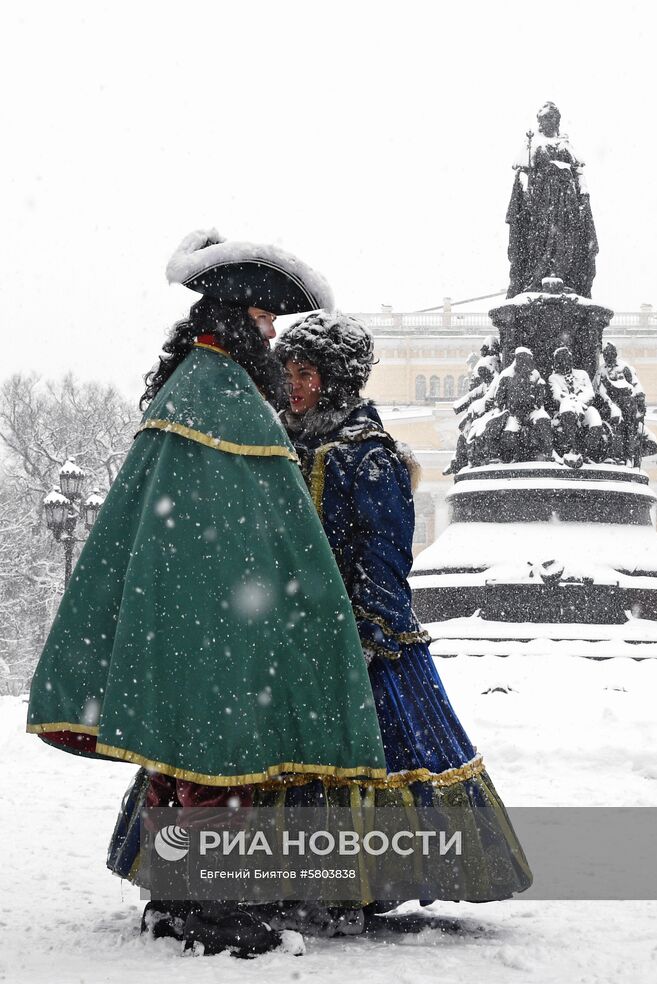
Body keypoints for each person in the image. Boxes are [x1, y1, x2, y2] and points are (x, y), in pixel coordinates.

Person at [26, 230, 388, 957]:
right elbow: (255, 533)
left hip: (180, 619)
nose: (271, 339)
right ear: (236, 322)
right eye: (263, 324)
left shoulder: (189, 389)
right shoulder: (226, 398)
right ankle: (222, 914)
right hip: (220, 624)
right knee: (220, 765)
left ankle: (177, 898)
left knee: (175, 757)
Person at [275, 311, 532, 921]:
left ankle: (354, 884)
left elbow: (385, 550)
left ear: (334, 379)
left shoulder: (368, 455)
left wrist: (371, 627)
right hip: (289, 634)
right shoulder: (285, 442)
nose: (293, 385)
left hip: (358, 635)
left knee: (365, 761)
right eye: (287, 371)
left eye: (305, 373)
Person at [506, 101, 599, 298]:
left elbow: (578, 171)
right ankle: (536, 277)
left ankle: (562, 275)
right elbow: (523, 172)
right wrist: (525, 193)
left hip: (566, 201)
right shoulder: (533, 143)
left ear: (557, 120)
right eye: (544, 119)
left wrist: (583, 192)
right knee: (539, 238)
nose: (547, 122)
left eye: (551, 118)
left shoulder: (566, 143)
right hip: (542, 200)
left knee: (565, 239)